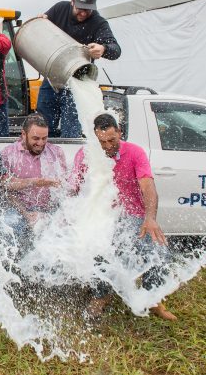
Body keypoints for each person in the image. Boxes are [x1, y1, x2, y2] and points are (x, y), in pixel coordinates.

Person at [72, 113, 176, 321]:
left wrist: (150, 218)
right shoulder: (85, 154)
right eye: (102, 142)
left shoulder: (135, 152)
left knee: (158, 252)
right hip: (103, 215)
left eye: (112, 140)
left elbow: (148, 186)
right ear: (95, 137)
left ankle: (153, 299)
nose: (108, 146)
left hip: (135, 214)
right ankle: (101, 297)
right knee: (105, 250)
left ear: (119, 132)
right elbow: (74, 187)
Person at [37, 0, 121, 138]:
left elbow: (116, 50)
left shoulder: (98, 23)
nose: (83, 13)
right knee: (42, 125)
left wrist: (103, 48)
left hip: (78, 82)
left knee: (71, 131)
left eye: (87, 10)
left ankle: (69, 158)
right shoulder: (59, 9)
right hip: (52, 77)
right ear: (72, 1)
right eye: (80, 8)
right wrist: (40, 21)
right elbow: (43, 23)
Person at [1, 113, 67, 230]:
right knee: (8, 225)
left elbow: (65, 188)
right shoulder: (8, 153)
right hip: (19, 210)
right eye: (35, 138)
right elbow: (5, 186)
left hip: (49, 209)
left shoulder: (56, 152)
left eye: (44, 138)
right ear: (23, 134)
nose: (41, 143)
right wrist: (35, 182)